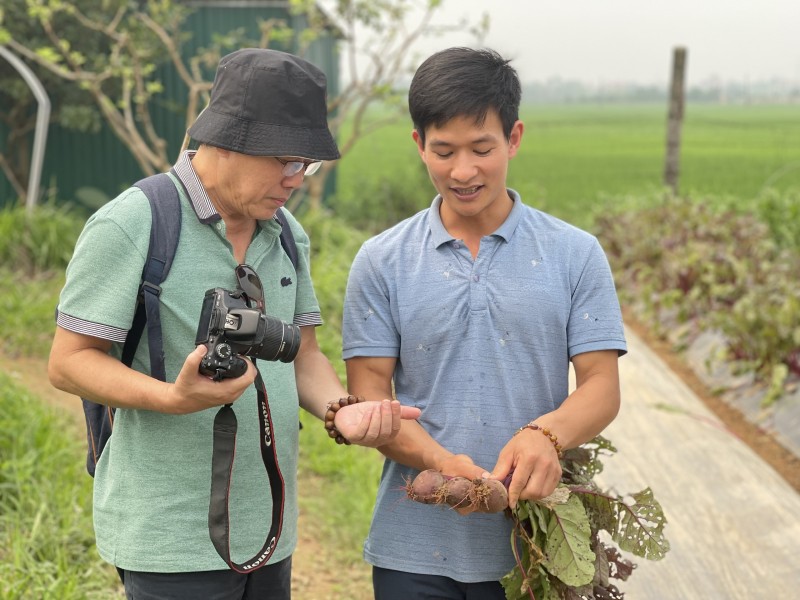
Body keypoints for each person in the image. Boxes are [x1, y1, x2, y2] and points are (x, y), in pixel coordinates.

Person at [48, 48, 419, 600]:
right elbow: (67, 362)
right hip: (168, 535)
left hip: (269, 524)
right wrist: (174, 397)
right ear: (224, 140)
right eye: (286, 161)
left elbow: (305, 354)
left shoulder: (288, 232)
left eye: (307, 165)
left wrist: (345, 410)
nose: (296, 180)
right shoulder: (136, 222)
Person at [341, 47, 628, 599]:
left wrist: (546, 435)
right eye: (443, 151)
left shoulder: (574, 253)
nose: (463, 171)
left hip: (534, 548)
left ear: (514, 138)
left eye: (482, 149)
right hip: (413, 547)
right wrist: (438, 462)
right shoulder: (382, 260)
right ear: (418, 143)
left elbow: (602, 387)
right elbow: (370, 393)